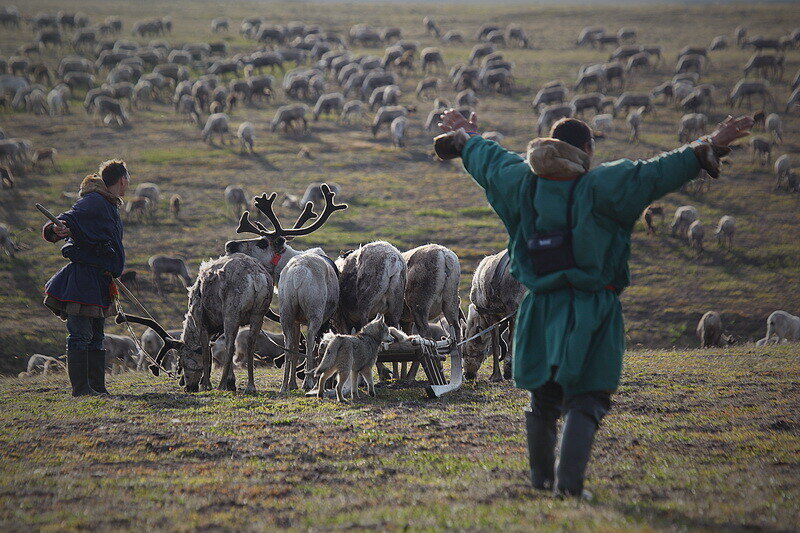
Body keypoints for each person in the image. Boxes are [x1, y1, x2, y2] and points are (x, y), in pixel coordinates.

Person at [435, 111, 753, 498]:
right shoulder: (604, 186)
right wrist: (710, 143)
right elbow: (656, 172)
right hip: (592, 309)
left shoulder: (522, 184)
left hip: (539, 308)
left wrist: (466, 136)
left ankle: (540, 482)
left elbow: (489, 159)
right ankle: (568, 487)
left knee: (544, 397)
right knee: (587, 398)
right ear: (587, 149)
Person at [42, 160, 130, 396]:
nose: (127, 186)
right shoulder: (93, 201)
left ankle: (96, 387)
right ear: (122, 180)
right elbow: (67, 219)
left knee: (96, 336)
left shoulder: (108, 204)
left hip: (100, 279)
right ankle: (81, 389)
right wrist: (55, 229)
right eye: (127, 181)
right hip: (84, 280)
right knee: (80, 335)